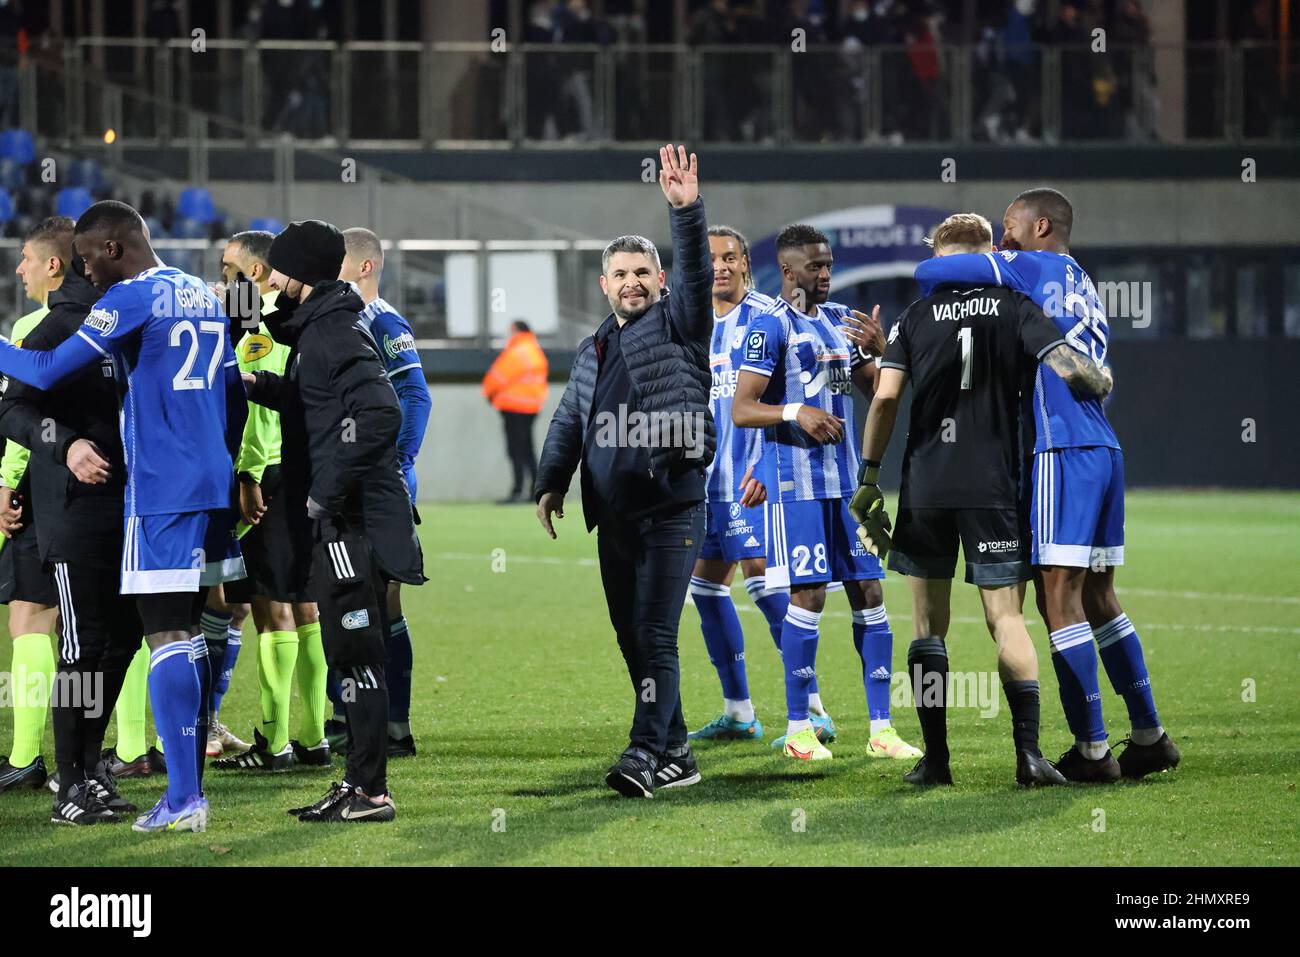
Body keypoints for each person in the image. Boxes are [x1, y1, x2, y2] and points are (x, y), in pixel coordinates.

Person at [913, 187, 1179, 781]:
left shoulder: (1027, 266)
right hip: (1104, 446)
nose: (1003, 240)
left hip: (1062, 448)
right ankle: (1149, 735)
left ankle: (1091, 752)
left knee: (1056, 598)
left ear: (1039, 227)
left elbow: (932, 268)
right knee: (1099, 597)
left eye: (1008, 228)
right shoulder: (1084, 281)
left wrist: (986, 262)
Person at [0, 200, 248, 834]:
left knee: (157, 635)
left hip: (157, 492)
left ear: (109, 250)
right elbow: (233, 394)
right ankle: (83, 775)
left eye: (90, 261)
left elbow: (46, 371)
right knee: (165, 635)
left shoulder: (126, 302)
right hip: (188, 487)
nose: (89, 275)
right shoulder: (199, 290)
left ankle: (176, 792)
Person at [855, 212, 1111, 787]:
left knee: (927, 626)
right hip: (994, 482)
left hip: (926, 483)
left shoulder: (913, 316)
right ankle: (1029, 758)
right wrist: (1097, 379)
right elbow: (1067, 366)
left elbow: (885, 399)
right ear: (991, 251)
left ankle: (937, 762)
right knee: (1006, 620)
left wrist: (870, 474)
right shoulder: (1015, 305)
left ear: (936, 254)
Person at [535, 145, 713, 797]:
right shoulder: (593, 347)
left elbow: (695, 275)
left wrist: (686, 211)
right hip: (614, 519)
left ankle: (643, 753)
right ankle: (678, 750)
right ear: (603, 284)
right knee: (630, 635)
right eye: (621, 273)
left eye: (643, 271)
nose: (633, 281)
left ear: (660, 282)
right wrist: (551, 481)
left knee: (655, 631)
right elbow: (569, 420)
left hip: (672, 507)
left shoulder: (682, 323)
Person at [244, 219, 424, 822]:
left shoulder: (337, 331)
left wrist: (324, 494)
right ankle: (356, 784)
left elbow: (381, 415)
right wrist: (260, 386)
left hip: (350, 520)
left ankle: (370, 792)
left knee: (358, 656)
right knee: (352, 656)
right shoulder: (321, 326)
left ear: (302, 274)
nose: (268, 279)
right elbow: (317, 400)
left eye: (277, 269)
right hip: (343, 517)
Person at [731, 223, 921, 762]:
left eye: (829, 264)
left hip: (852, 485)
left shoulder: (841, 322)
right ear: (788, 272)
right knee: (808, 597)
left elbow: (877, 392)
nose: (826, 274)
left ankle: (881, 729)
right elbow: (743, 409)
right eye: (815, 266)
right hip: (795, 486)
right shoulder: (770, 325)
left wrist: (883, 355)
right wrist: (796, 411)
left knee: (871, 594)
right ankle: (798, 728)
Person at [0, 236, 149, 822]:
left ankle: (88, 770)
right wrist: (65, 445)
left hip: (129, 506)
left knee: (126, 637)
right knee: (82, 647)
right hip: (74, 511)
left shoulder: (125, 320)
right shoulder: (54, 329)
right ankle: (70, 785)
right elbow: (10, 410)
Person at [210, 229, 329, 771]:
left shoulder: (258, 323)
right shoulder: (295, 316)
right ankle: (314, 736)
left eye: (230, 268)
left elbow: (261, 405)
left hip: (269, 477)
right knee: (307, 607)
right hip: (303, 476)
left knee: (270, 608)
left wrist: (249, 474)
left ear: (254, 273)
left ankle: (274, 743)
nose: (222, 279)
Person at [684, 226, 798, 743]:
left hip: (754, 479)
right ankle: (739, 712)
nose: (722, 267)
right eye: (712, 260)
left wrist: (774, 469)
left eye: (731, 257)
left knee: (767, 585)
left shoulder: (770, 318)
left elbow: (793, 394)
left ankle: (811, 706)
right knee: (706, 587)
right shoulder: (687, 322)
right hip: (704, 481)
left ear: (746, 263)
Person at [334, 226, 432, 757]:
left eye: (339, 262)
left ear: (365, 267)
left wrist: (398, 463)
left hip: (381, 485)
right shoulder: (343, 319)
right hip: (351, 482)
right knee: (349, 598)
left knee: (382, 602)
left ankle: (395, 723)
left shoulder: (383, 320)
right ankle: (347, 714)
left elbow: (416, 397)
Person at [0, 217, 68, 793]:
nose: (19, 268)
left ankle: (25, 756)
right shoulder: (116, 323)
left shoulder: (32, 328)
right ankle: (129, 749)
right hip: (112, 490)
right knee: (103, 626)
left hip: (46, 488)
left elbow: (21, 421)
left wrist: (6, 483)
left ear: (54, 264)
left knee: (29, 614)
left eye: (26, 258)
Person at [482, 319, 548, 505]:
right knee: (528, 450)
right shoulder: (535, 351)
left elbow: (495, 378)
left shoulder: (517, 352)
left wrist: (489, 394)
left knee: (515, 451)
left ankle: (517, 490)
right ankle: (535, 489)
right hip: (531, 407)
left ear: (516, 330)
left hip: (513, 408)